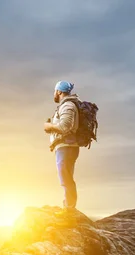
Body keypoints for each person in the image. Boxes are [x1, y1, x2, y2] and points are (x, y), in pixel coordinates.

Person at [44, 80, 80, 217]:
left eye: (55, 91)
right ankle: (68, 207)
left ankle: (69, 210)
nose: (54, 93)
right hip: (65, 146)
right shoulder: (66, 106)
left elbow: (65, 126)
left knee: (66, 179)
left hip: (67, 147)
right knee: (66, 178)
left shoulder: (68, 105)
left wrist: (49, 126)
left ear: (59, 91)